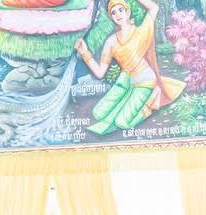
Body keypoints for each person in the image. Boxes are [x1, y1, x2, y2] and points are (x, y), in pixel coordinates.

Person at [75, 0, 185, 135]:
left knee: (121, 122)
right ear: (111, 17)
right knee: (97, 113)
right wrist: (84, 52)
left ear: (127, 12)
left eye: (121, 10)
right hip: (127, 82)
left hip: (145, 82)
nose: (118, 14)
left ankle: (150, 103)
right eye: (113, 12)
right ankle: (129, 98)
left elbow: (154, 8)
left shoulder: (141, 32)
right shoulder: (111, 41)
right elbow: (99, 73)